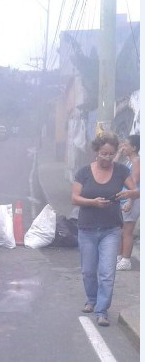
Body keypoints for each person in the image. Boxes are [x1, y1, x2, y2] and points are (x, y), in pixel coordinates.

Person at [71, 131, 139, 327]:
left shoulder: (120, 171)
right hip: (87, 229)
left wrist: (129, 194)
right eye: (104, 154)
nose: (107, 158)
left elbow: (135, 191)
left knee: (107, 273)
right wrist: (92, 202)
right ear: (96, 152)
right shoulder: (83, 172)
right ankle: (91, 300)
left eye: (111, 154)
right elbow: (74, 198)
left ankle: (102, 310)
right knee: (88, 271)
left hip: (111, 229)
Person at [114, 135, 140, 271]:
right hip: (124, 198)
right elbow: (113, 166)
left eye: (126, 145)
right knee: (120, 230)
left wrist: (130, 200)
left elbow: (135, 184)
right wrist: (119, 152)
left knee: (127, 231)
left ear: (134, 148)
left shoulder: (136, 161)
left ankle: (126, 260)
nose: (124, 147)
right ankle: (119, 256)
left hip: (132, 200)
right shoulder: (128, 161)